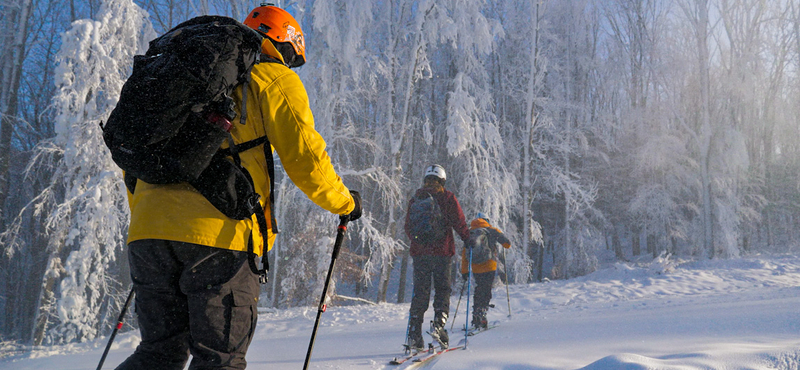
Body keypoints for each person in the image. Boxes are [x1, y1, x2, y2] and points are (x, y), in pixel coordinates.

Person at [116, 5, 361, 370]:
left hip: (148, 235)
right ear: (287, 44)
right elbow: (306, 158)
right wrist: (344, 203)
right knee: (219, 360)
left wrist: (153, 225)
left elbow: (137, 158)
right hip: (219, 239)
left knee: (157, 354)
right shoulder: (272, 77)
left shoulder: (183, 76)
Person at [404, 164, 469, 350]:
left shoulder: (416, 198)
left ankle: (414, 333)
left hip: (420, 255)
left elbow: (408, 227)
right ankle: (438, 326)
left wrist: (420, 242)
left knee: (420, 292)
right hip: (442, 253)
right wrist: (466, 238)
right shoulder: (447, 198)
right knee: (442, 290)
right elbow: (459, 221)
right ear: (442, 180)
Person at [460, 213, 511, 329]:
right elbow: (507, 244)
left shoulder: (469, 233)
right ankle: (482, 313)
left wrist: (464, 271)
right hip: (489, 265)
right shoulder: (491, 231)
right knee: (486, 288)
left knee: (479, 288)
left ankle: (476, 314)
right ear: (486, 220)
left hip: (476, 266)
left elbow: (464, 254)